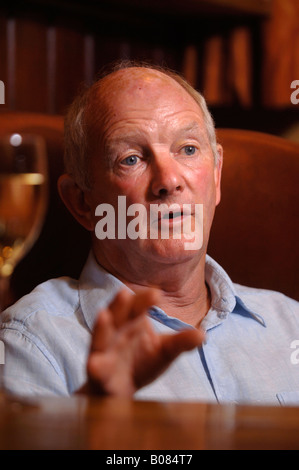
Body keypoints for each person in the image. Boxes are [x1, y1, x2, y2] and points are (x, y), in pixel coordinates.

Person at [0, 61, 298, 405]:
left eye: (187, 149)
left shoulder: (292, 325)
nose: (169, 181)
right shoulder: (30, 344)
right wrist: (93, 423)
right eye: (131, 159)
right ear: (82, 202)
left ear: (216, 176)